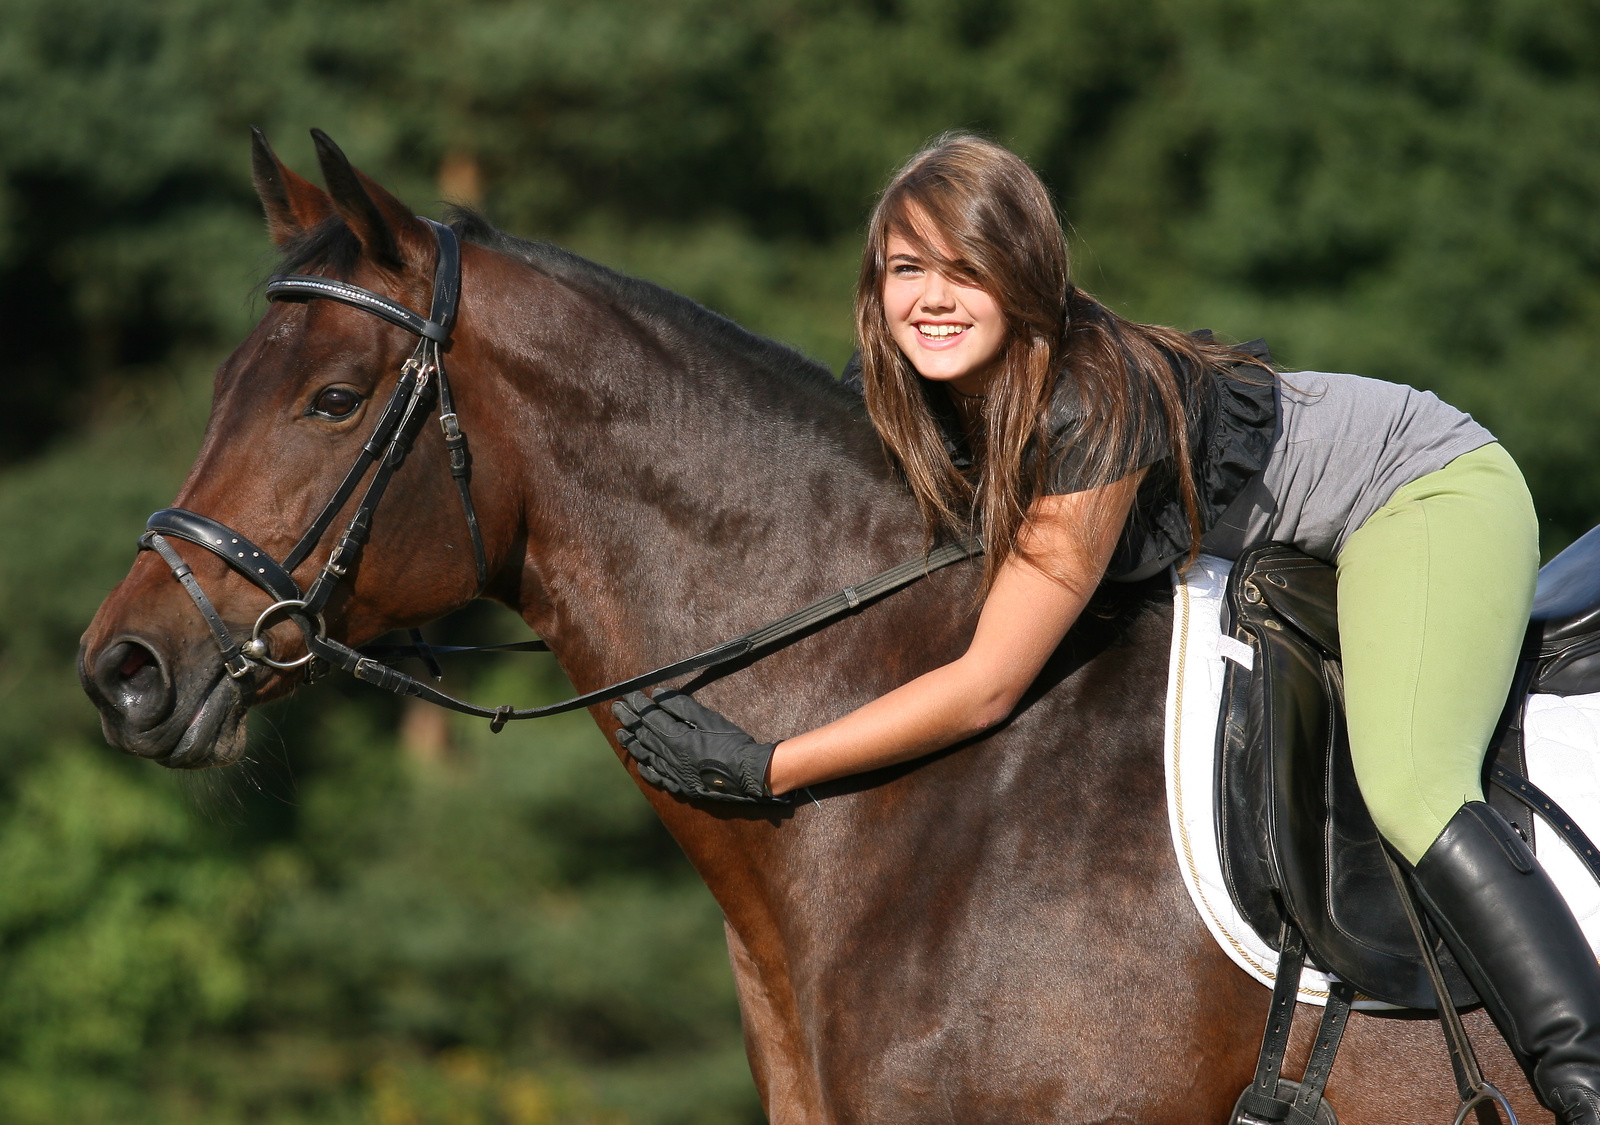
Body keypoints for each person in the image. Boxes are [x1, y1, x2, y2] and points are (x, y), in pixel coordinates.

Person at [611, 134, 1600, 1122]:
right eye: (907, 269)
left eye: (967, 270)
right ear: (874, 289)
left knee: (1412, 786)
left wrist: (768, 766)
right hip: (1297, 529)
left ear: (1026, 279)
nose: (933, 298)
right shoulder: (907, 390)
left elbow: (987, 683)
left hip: (1421, 492)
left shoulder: (1094, 404)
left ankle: (1578, 1072)